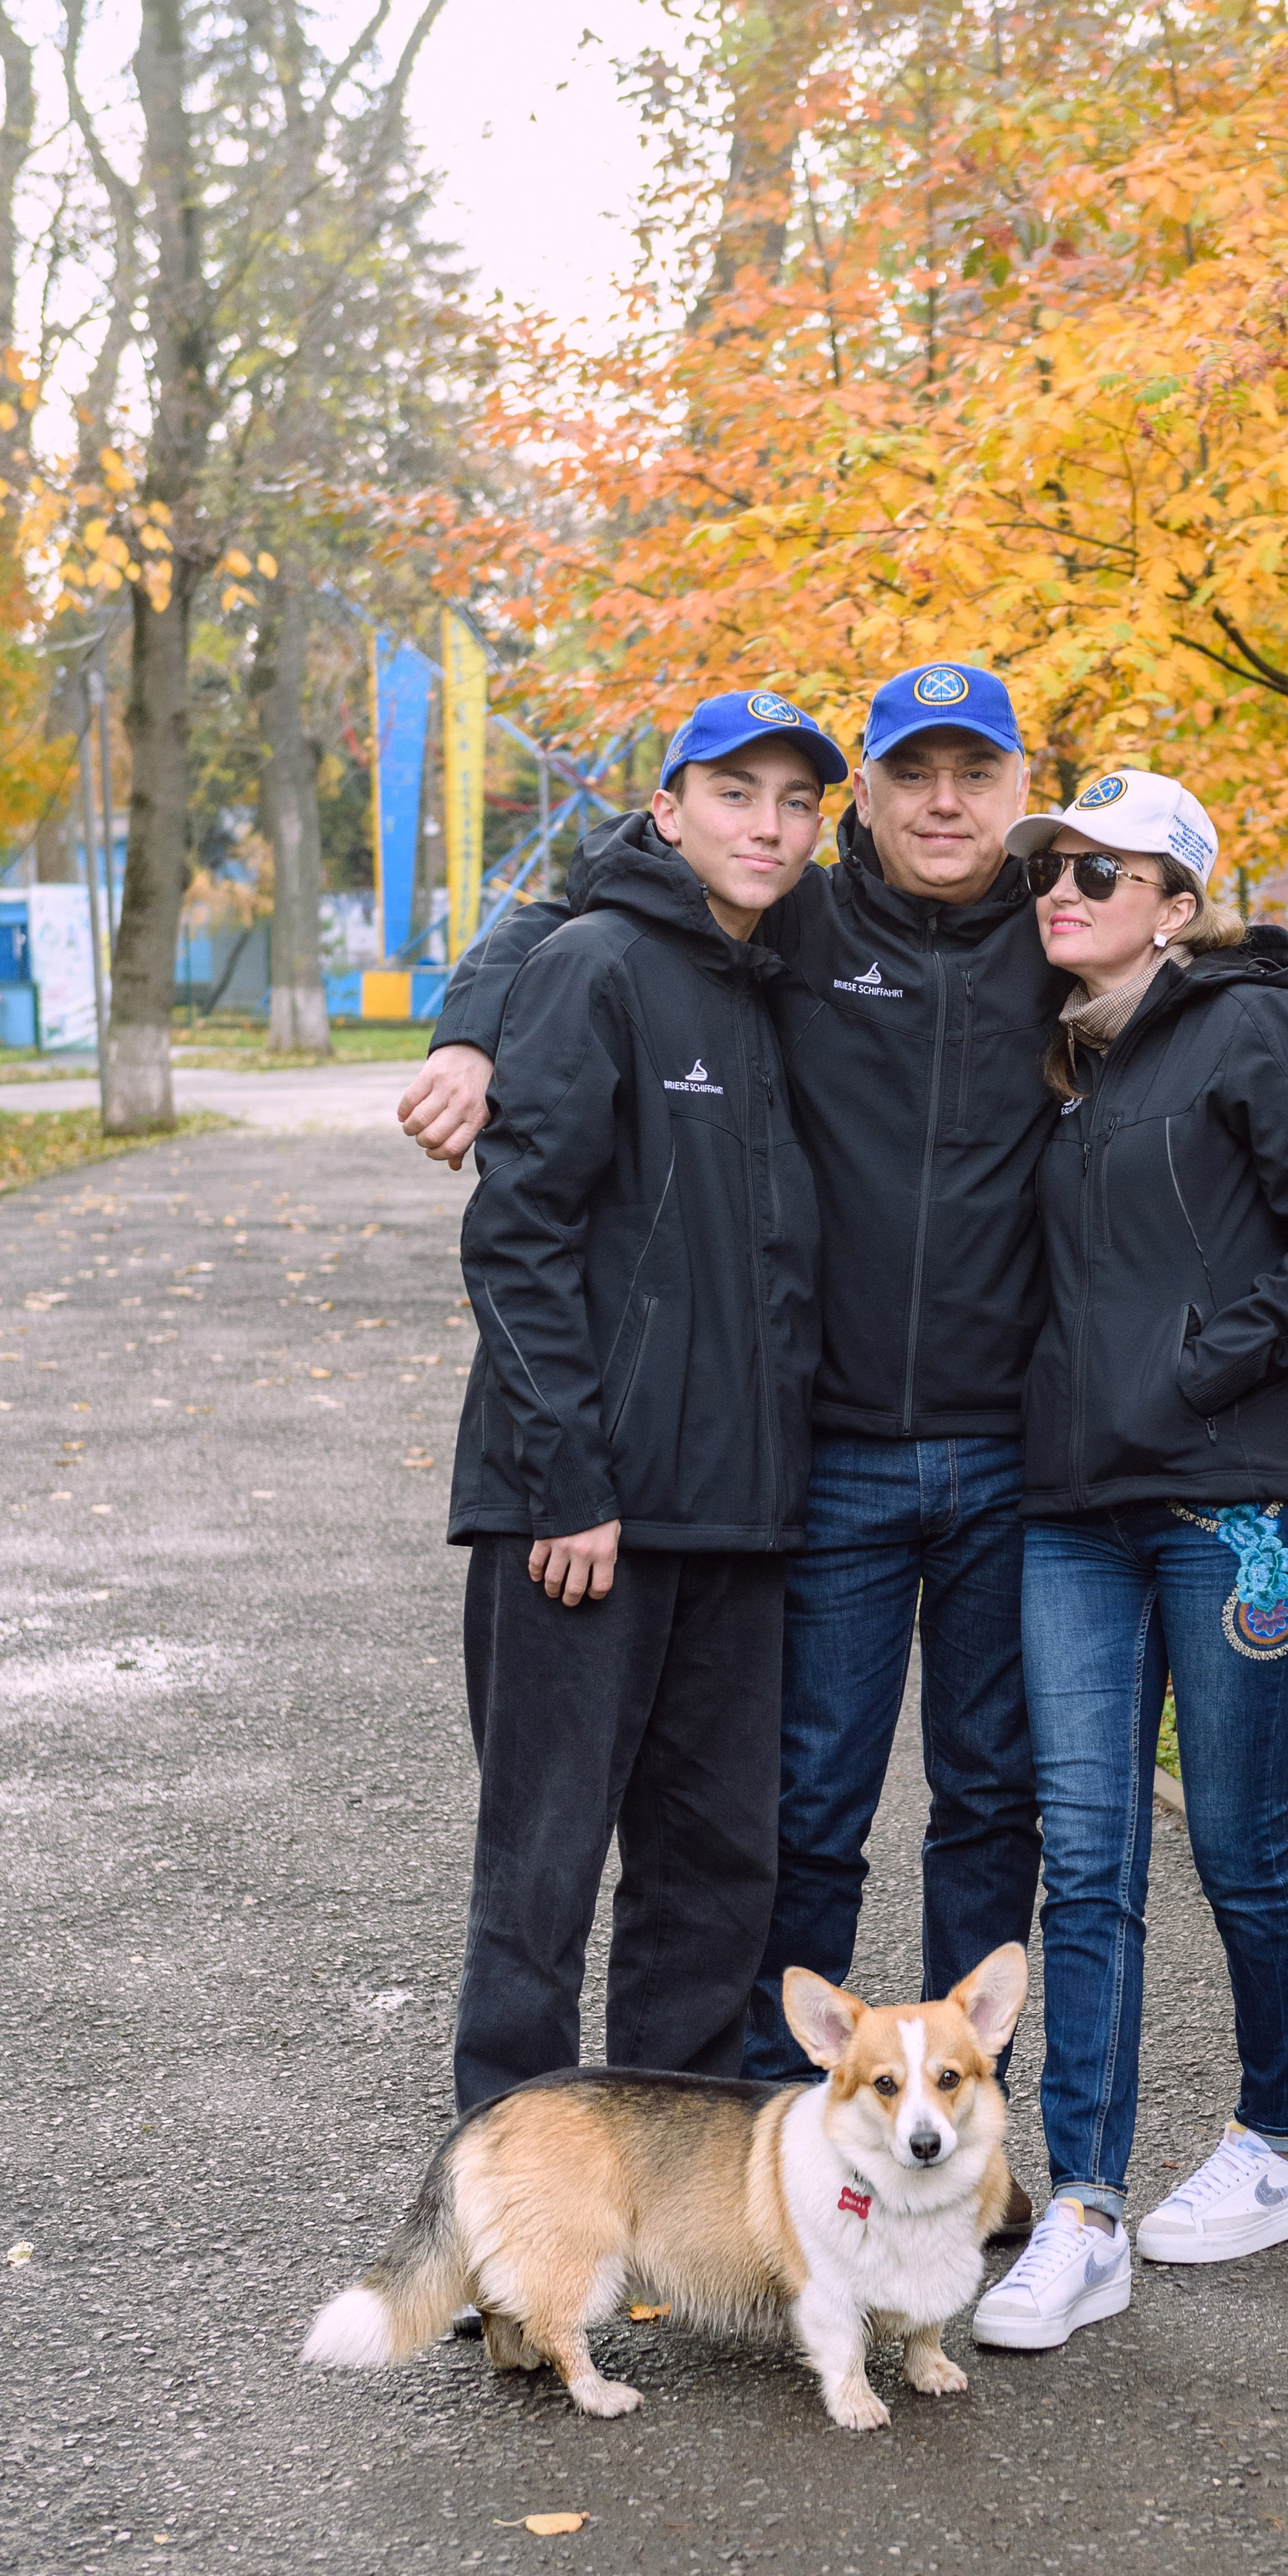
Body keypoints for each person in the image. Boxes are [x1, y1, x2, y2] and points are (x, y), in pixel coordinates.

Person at [404, 667, 1288, 2188]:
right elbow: (582, 914)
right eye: (909, 774)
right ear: (862, 797)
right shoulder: (792, 924)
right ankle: (772, 2151)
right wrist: (472, 1030)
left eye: (976, 776)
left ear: (1018, 795)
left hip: (1016, 1459)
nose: (945, 803)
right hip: (827, 1460)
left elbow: (1234, 962)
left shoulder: (1054, 924)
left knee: (988, 1809)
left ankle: (967, 2156)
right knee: (796, 1817)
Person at [970, 770, 1288, 2354]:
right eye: (1052, 867)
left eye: (1103, 872)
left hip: (1236, 1508)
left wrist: (1199, 1366)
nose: (1062, 891)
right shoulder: (1056, 1057)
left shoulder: (1248, 1029)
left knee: (1234, 1839)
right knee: (1085, 1856)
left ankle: (1278, 2145)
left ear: (1175, 904)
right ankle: (1083, 2213)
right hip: (1071, 1515)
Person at [447, 692, 846, 2115]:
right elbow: (517, 1238)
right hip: (585, 1518)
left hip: (737, 1519)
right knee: (542, 1875)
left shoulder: (775, 979)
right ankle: (510, 2202)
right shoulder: (595, 966)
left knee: (713, 1879)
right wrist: (570, 1483)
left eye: (797, 802)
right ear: (667, 811)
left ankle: (663, 2190)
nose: (770, 825)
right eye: (737, 794)